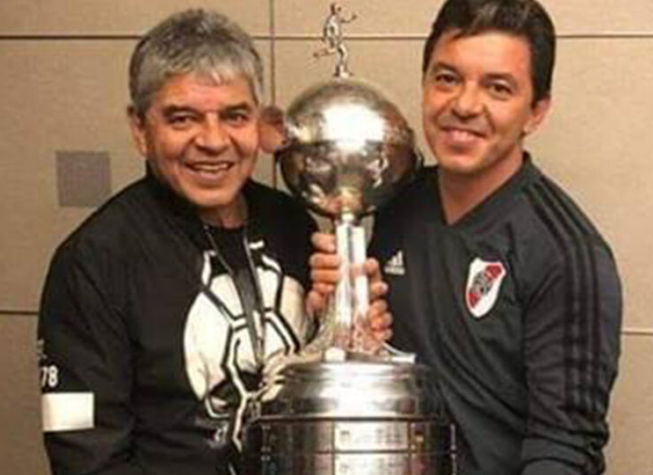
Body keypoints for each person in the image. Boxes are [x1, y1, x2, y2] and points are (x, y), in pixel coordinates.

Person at [37, 9, 390, 475]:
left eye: (234, 116)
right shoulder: (94, 262)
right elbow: (85, 458)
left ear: (258, 123)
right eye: (183, 118)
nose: (213, 140)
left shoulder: (291, 224)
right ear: (140, 129)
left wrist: (338, 332)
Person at [307, 0, 623, 473]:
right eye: (447, 78)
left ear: (536, 112)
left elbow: (565, 448)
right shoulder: (396, 201)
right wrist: (338, 315)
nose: (464, 105)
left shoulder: (567, 253)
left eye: (498, 88)